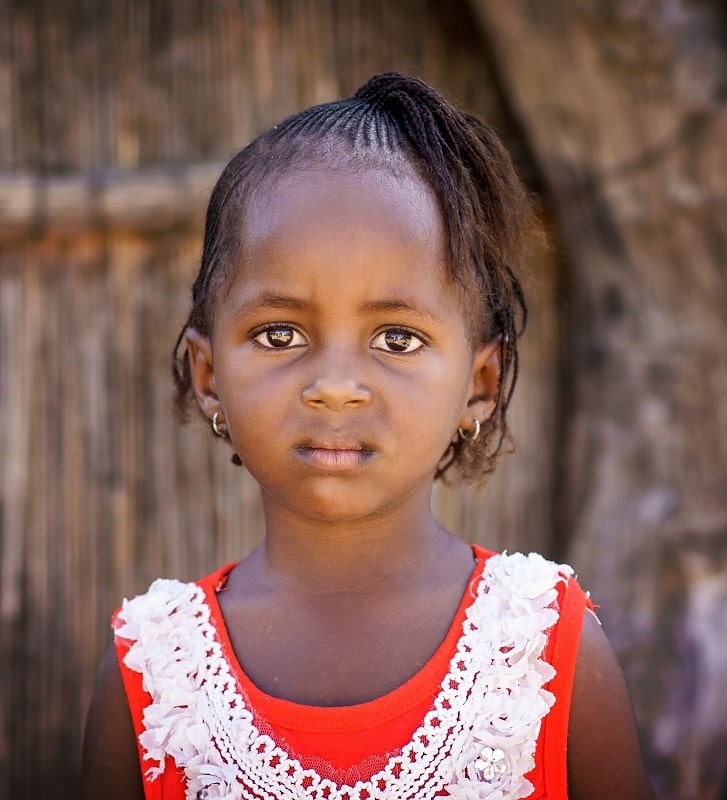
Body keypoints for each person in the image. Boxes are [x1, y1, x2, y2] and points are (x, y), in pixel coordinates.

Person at [81, 73, 655, 800]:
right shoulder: (152, 675)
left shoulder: (544, 649)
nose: (335, 384)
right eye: (279, 333)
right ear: (208, 373)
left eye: (397, 337)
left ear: (478, 383)